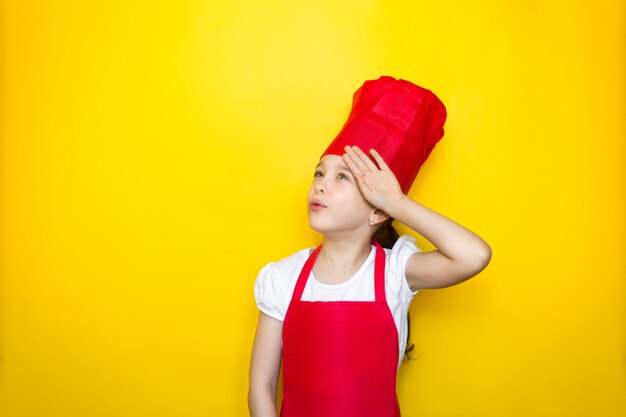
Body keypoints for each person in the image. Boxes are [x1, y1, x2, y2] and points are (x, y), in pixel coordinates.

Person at [248, 75, 492, 417]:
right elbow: (261, 388)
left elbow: (474, 256)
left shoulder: (396, 272)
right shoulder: (282, 277)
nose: (320, 186)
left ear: (378, 210)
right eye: (319, 174)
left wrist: (397, 202)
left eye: (342, 177)